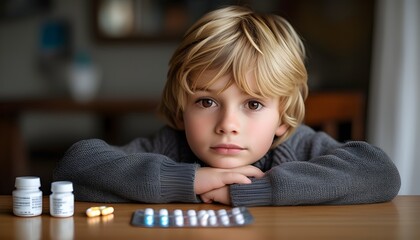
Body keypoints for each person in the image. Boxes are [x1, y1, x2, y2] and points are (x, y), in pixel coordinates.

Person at [53, 6, 400, 206]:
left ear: (282, 118)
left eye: (253, 103)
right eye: (206, 101)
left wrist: (253, 192)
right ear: (181, 109)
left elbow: (379, 172)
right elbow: (77, 165)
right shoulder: (169, 147)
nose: (227, 124)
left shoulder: (300, 147)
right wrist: (188, 181)